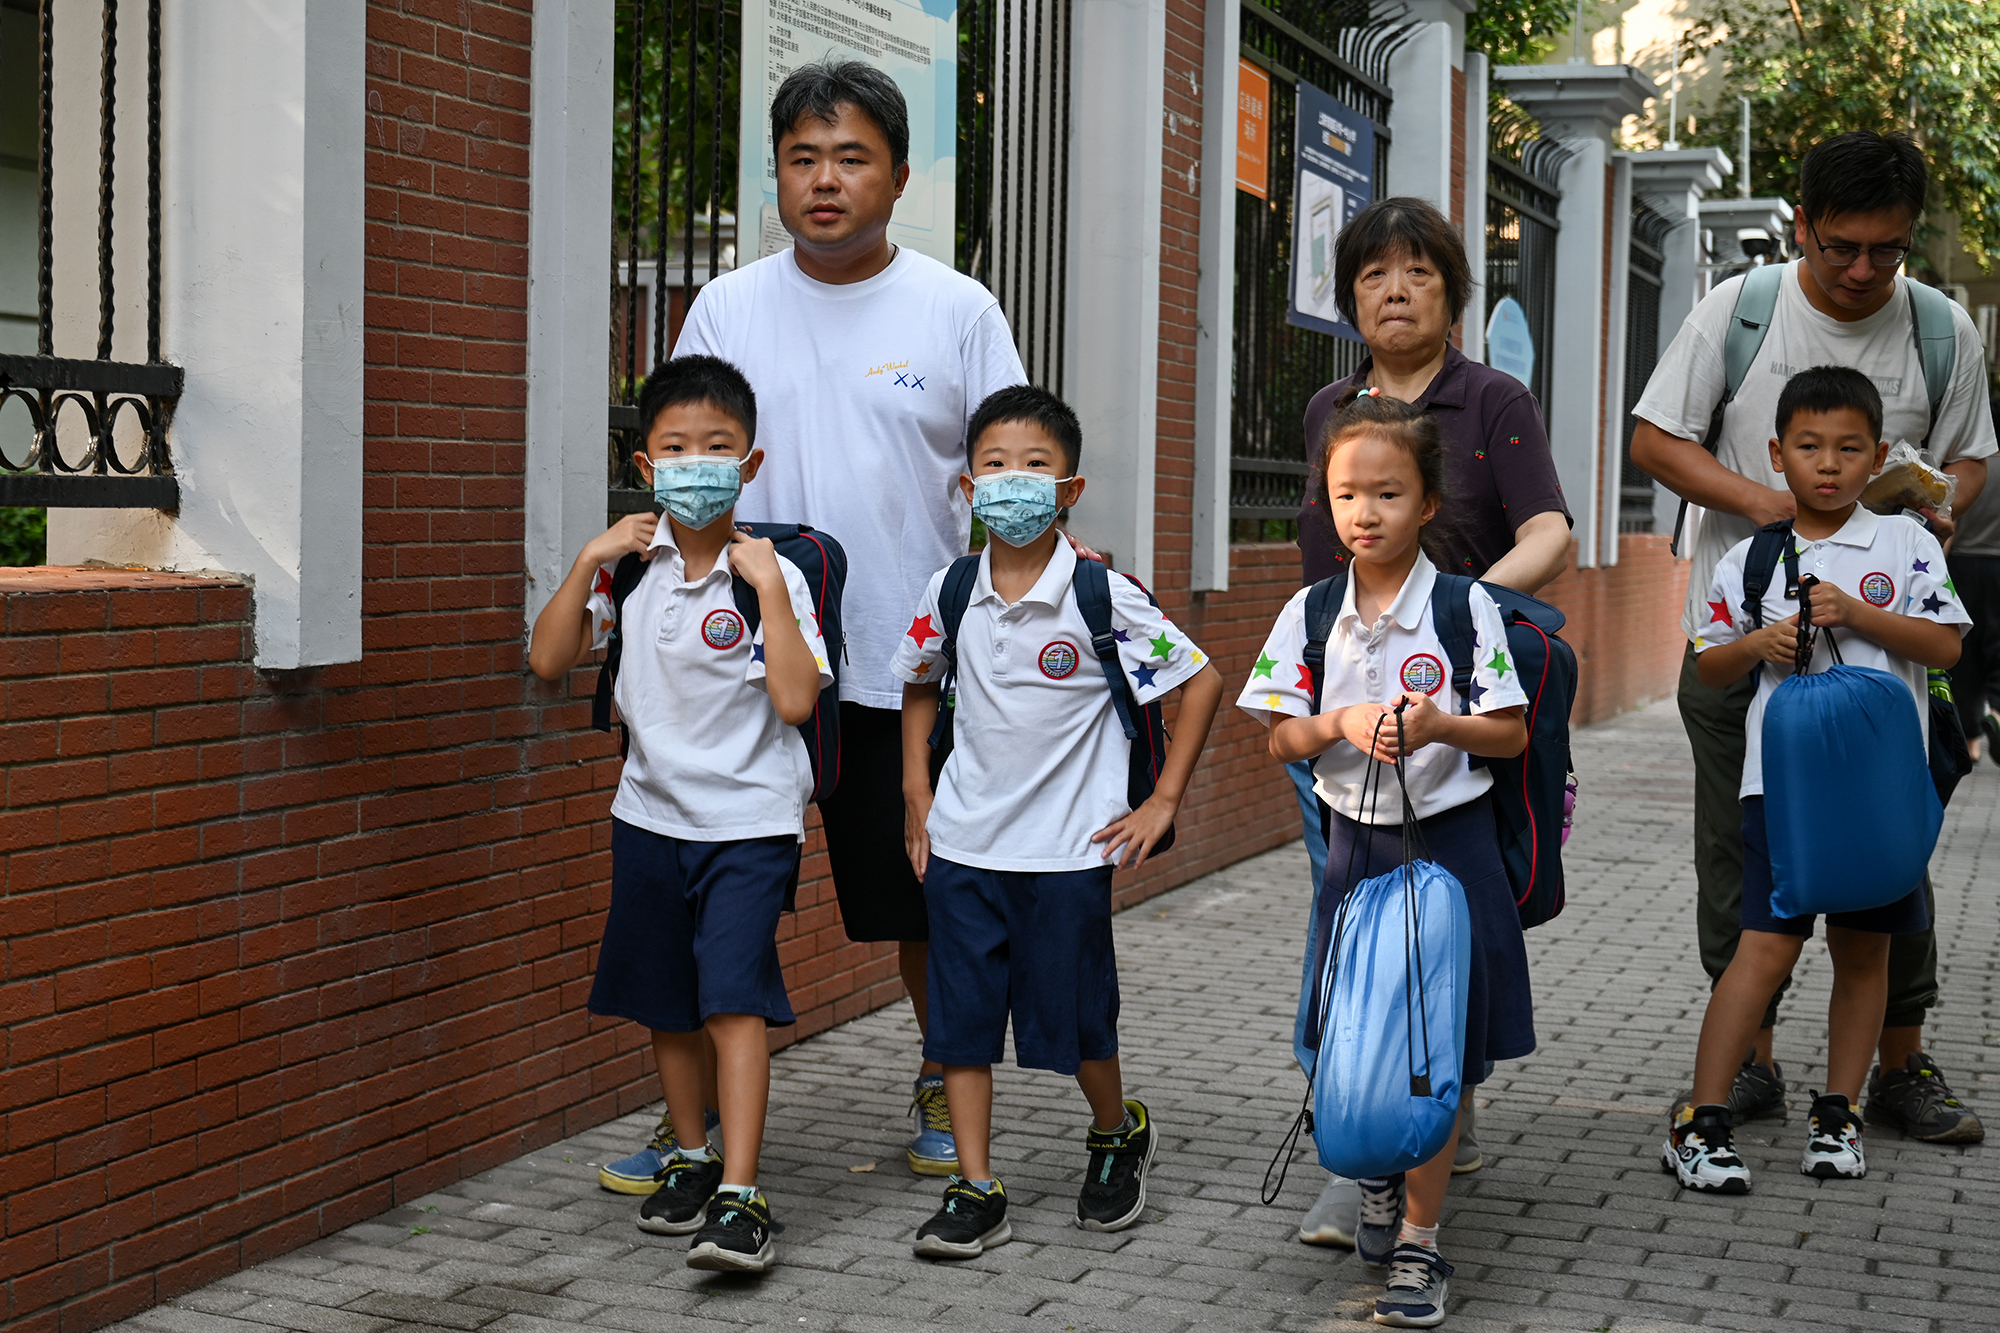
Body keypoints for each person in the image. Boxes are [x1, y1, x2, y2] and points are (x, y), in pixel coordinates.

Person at [668, 59, 1028, 1176]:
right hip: (744, 671)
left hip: (892, 665)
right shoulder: (725, 307)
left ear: (898, 175)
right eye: (802, 158)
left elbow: (1006, 466)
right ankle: (696, 1127)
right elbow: (684, 454)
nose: (824, 180)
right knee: (711, 893)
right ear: (776, 172)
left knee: (921, 896)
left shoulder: (955, 308)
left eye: (850, 157)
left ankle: (942, 1073)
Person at [1631, 131, 1993, 1144]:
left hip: (1883, 664)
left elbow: (1970, 459)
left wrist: (1926, 504)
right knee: (1738, 859)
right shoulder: (1738, 313)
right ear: (1800, 226)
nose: (1862, 271)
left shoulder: (1938, 329)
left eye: (1885, 249)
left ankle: (1898, 1065)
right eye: (1840, 247)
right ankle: (1748, 1065)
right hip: (1746, 654)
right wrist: (1769, 504)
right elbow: (1652, 438)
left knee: (1892, 848)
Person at [1290, 197, 1572, 1247]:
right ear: (1350, 295)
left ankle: (1439, 1106)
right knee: (1347, 930)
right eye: (1371, 274)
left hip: (1460, 713)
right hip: (1342, 714)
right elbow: (1322, 561)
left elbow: (1548, 530)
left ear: (1451, 292)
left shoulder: (1491, 397)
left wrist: (1463, 615)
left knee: (1448, 925)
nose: (1393, 290)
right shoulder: (1328, 406)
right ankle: (1360, 1137)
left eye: (1415, 272)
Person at [891, 386, 1224, 1257]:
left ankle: (1116, 1133)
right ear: (968, 485)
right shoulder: (952, 587)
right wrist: (916, 793)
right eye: (994, 465)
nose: (1011, 482)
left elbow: (1200, 680)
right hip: (964, 845)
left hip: (1067, 852)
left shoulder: (1098, 592)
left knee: (1075, 1019)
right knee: (958, 1023)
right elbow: (919, 681)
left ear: (1068, 488)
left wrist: (1163, 799)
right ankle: (975, 1185)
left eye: (1033, 466)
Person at [527, 356, 832, 1272]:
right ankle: (692, 1158)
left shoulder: (772, 575)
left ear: (751, 462)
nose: (695, 462)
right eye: (675, 447)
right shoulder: (629, 572)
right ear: (644, 460)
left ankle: (742, 1193)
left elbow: (794, 704)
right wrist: (588, 557)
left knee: (732, 999)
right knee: (668, 1001)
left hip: (747, 822)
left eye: (717, 448)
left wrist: (772, 591)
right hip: (650, 818)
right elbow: (548, 664)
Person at [1241, 392, 1535, 1328]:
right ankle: (1372, 1184)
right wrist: (1335, 723)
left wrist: (1442, 723)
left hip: (1453, 851)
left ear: (1429, 503)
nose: (1364, 513)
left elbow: (1511, 734)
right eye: (1346, 495)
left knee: (1430, 1045)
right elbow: (1281, 739)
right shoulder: (1310, 608)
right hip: (1353, 852)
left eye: (1388, 494)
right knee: (1350, 1032)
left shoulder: (1464, 607)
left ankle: (1419, 1240)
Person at [1666, 366, 1965, 1192]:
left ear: (1876, 458)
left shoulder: (1905, 543)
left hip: (1878, 791)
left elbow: (1946, 648)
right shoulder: (1753, 558)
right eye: (1807, 446)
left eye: (1848, 448)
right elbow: (1712, 665)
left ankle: (1839, 1115)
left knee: (1864, 951)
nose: (1827, 464)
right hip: (1782, 793)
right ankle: (1701, 1119)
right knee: (1762, 949)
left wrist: (1859, 614)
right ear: (1776, 453)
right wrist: (1760, 645)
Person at [1947, 399, 2000, 764]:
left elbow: (1951, 518)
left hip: (1963, 565)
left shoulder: (1971, 471)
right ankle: (1997, 712)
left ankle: (1971, 740)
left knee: (1963, 649)